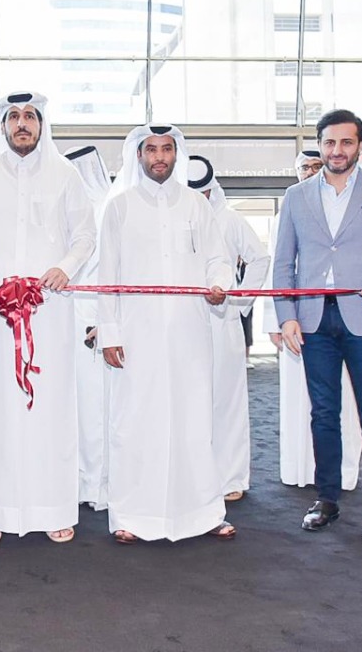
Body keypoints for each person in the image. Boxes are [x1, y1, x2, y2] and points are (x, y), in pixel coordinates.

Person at [0, 91, 97, 546]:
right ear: (3, 125)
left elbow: (86, 234)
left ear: (42, 123)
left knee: (49, 408)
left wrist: (65, 268)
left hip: (50, 311)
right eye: (14, 117)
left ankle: (53, 508)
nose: (22, 124)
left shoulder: (66, 175)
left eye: (30, 116)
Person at [273, 109, 362, 539]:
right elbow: (283, 264)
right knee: (323, 413)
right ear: (321, 145)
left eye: (346, 142)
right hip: (314, 319)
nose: (337, 151)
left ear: (360, 146)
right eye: (330, 143)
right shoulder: (296, 196)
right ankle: (328, 498)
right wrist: (287, 317)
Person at [98, 126, 235, 543]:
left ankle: (203, 513)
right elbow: (107, 275)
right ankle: (131, 516)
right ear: (138, 156)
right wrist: (109, 333)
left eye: (167, 149)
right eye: (151, 150)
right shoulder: (119, 207)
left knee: (194, 420)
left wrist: (219, 287)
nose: (159, 157)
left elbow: (218, 258)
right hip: (137, 335)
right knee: (135, 422)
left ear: (179, 155)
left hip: (191, 332)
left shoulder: (196, 204)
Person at [261, 151, 362, 493]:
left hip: (344, 320)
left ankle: (342, 474)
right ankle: (298, 469)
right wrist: (276, 320)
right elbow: (279, 266)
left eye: (315, 166)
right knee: (298, 401)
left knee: (342, 401)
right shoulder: (289, 207)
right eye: (303, 167)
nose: (309, 172)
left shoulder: (348, 205)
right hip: (297, 322)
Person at [187, 156, 270, 503]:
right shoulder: (174, 216)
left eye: (205, 193)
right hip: (185, 325)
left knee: (227, 400)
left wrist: (239, 302)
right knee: (189, 401)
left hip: (224, 324)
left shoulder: (231, 219)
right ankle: (191, 477)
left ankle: (231, 477)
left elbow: (260, 259)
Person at [64, 144, 111, 510]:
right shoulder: (65, 212)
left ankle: (97, 487)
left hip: (94, 324)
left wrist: (106, 322)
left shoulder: (106, 210)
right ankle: (78, 483)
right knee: (72, 410)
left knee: (96, 409)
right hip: (63, 322)